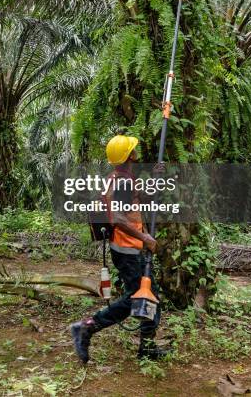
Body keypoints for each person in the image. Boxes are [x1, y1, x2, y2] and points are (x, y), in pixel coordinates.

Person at [71, 134, 167, 363]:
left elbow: (137, 200)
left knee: (147, 295)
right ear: (130, 155)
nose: (137, 151)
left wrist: (155, 179)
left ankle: (147, 346)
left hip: (126, 249)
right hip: (128, 250)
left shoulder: (119, 178)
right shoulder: (122, 181)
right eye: (133, 149)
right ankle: (86, 327)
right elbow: (118, 218)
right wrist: (144, 237)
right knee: (140, 296)